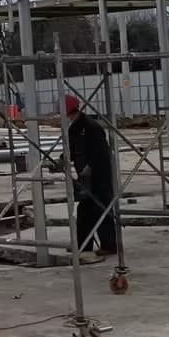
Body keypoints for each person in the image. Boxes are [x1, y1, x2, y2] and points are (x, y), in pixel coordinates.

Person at [65, 94, 117, 256]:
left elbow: (101, 152)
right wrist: (62, 160)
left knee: (102, 208)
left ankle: (109, 245)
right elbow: (71, 150)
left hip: (99, 176)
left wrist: (90, 167)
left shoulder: (91, 127)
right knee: (85, 210)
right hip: (85, 177)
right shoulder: (74, 128)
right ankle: (84, 244)